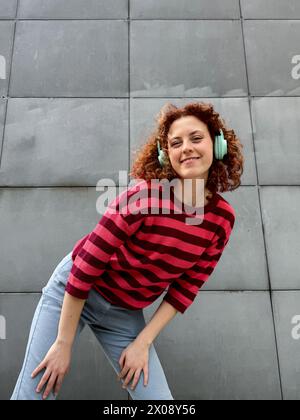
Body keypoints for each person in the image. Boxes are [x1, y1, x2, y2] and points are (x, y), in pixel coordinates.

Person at [10, 101, 244, 400]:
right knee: (38, 391)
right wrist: (63, 343)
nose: (186, 148)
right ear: (165, 155)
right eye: (176, 143)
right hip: (73, 292)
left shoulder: (221, 219)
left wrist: (142, 343)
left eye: (196, 138)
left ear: (218, 144)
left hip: (124, 312)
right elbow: (84, 271)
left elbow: (185, 289)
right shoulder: (141, 197)